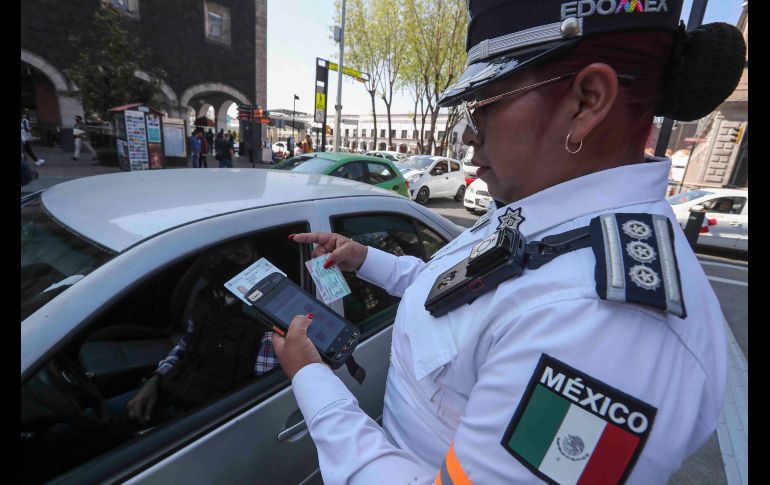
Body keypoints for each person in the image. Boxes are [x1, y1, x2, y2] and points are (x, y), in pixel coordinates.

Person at [272, 1, 746, 483]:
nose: (467, 136)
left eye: (483, 105)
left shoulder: (604, 327)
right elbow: (459, 296)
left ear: (587, 101)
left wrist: (313, 381)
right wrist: (364, 259)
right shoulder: (545, 209)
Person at [113, 240, 279, 428]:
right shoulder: (208, 296)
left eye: (239, 253)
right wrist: (154, 380)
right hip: (169, 390)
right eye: (217, 257)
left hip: (205, 421)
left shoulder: (267, 321)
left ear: (256, 257)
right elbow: (186, 344)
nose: (227, 261)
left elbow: (259, 397)